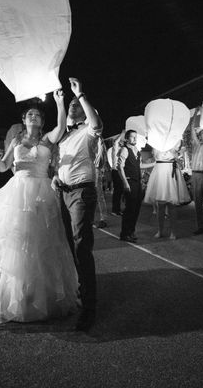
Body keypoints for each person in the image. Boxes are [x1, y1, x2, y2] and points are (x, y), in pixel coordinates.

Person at [0, 90, 79, 325]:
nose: (33, 116)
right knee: (14, 242)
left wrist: (60, 102)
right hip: (17, 191)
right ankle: (9, 294)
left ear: (41, 121)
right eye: (29, 114)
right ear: (23, 120)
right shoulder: (16, 141)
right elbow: (2, 167)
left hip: (41, 194)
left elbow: (61, 127)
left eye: (37, 115)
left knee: (41, 242)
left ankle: (37, 295)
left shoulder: (47, 140)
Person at [52, 78, 103, 331]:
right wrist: (55, 175)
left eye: (77, 104)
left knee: (82, 246)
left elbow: (97, 124)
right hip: (62, 192)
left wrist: (80, 94)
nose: (73, 105)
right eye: (71, 103)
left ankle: (90, 307)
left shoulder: (88, 130)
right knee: (69, 245)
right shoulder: (63, 135)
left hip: (82, 193)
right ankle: (78, 291)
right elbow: (60, 162)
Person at [143, 141, 191, 240]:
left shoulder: (174, 140)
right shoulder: (156, 141)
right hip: (160, 170)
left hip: (170, 169)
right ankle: (160, 230)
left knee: (172, 205)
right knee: (160, 205)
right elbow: (155, 154)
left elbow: (176, 153)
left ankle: (173, 232)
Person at [117, 130, 154, 242]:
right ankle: (124, 234)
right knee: (129, 209)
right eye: (132, 137)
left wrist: (155, 164)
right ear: (127, 139)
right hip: (130, 182)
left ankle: (131, 232)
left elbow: (140, 166)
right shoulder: (124, 150)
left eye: (135, 137)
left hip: (137, 183)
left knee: (136, 209)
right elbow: (120, 167)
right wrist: (125, 183)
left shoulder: (136, 151)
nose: (134, 139)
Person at [92, 136, 109, 229]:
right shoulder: (99, 140)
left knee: (98, 195)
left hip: (94, 168)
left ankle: (103, 219)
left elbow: (100, 156)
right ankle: (102, 219)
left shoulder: (97, 139)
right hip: (95, 168)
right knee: (97, 195)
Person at [109, 132, 125, 216]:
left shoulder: (121, 150)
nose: (122, 142)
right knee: (118, 191)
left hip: (118, 171)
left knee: (119, 191)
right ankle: (115, 210)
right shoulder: (114, 149)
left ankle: (117, 209)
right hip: (116, 171)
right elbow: (116, 142)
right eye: (121, 141)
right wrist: (122, 133)